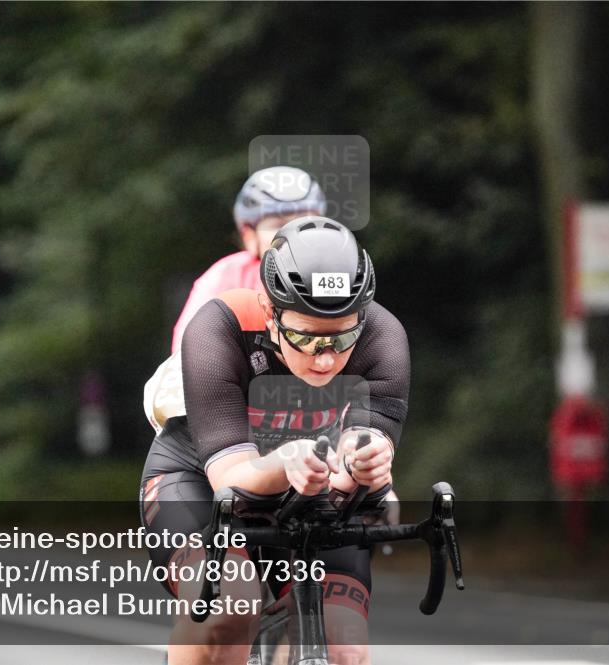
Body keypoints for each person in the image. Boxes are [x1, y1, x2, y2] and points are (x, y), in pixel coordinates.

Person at [141, 217, 410, 665]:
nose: (325, 359)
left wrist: (365, 463)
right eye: (305, 336)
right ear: (269, 311)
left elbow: (362, 444)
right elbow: (231, 479)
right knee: (230, 610)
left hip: (310, 485)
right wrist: (286, 460)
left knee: (344, 647)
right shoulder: (219, 327)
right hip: (201, 479)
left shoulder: (382, 336)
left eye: (343, 336)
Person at [170, 166, 327, 354]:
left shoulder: (343, 272)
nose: (293, 235)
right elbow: (188, 353)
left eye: (305, 224)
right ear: (249, 236)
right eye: (278, 225)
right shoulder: (227, 278)